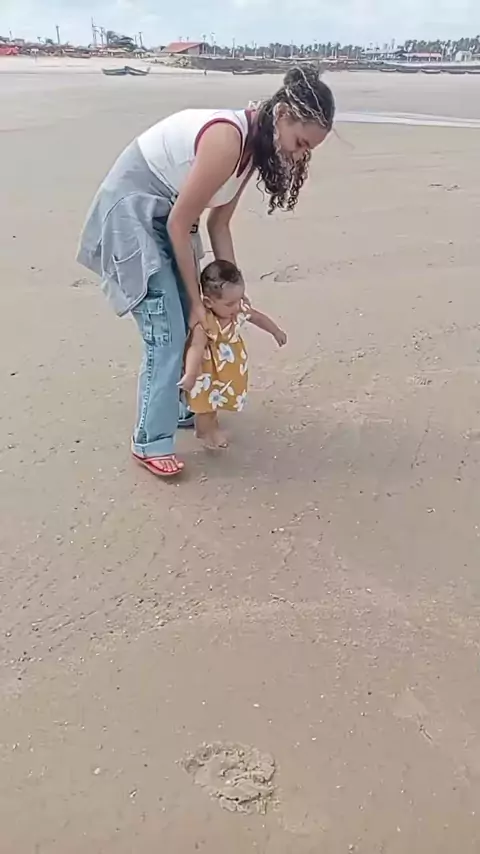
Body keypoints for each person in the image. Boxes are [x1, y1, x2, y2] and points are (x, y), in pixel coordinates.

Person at [77, 64, 335, 478]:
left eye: (309, 151)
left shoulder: (254, 148)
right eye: (300, 143)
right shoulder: (228, 140)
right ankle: (149, 441)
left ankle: (183, 403)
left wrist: (233, 292)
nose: (300, 154)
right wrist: (198, 305)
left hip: (169, 218)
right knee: (169, 329)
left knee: (192, 319)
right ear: (283, 115)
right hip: (134, 214)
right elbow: (179, 223)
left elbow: (219, 224)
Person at [179, 260, 286, 449]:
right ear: (209, 302)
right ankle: (205, 433)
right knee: (205, 408)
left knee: (214, 404)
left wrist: (275, 331)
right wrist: (190, 374)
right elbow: (195, 347)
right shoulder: (205, 323)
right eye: (230, 304)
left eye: (239, 299)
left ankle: (211, 429)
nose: (237, 307)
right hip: (207, 375)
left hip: (225, 372)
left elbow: (257, 317)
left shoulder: (236, 311)